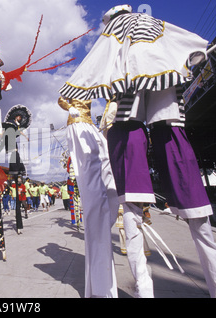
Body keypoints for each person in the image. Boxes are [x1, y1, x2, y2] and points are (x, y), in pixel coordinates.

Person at [59, 4, 216, 298]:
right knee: (189, 203)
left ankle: (146, 291)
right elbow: (187, 47)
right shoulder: (151, 23)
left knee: (133, 207)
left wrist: (75, 90)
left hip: (129, 110)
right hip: (160, 99)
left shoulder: (115, 33)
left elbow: (85, 79)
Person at [57, 97, 119, 298]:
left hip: (91, 127)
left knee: (108, 189)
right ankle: (101, 285)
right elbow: (60, 98)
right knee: (93, 203)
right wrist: (70, 107)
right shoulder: (75, 82)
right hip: (78, 125)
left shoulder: (94, 86)